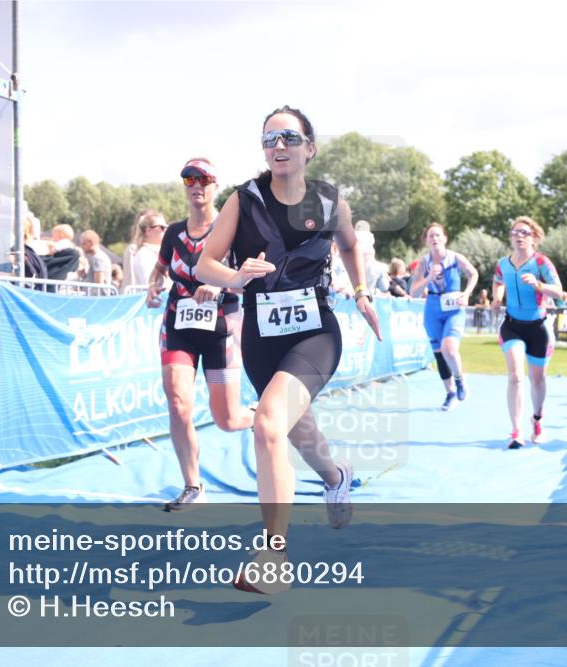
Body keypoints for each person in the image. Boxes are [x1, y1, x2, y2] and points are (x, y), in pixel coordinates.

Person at [195, 106, 381, 594]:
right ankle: (335, 477)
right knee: (297, 430)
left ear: (309, 149)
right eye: (269, 138)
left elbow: (348, 246)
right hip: (260, 337)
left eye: (289, 138)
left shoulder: (331, 202)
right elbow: (204, 265)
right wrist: (235, 277)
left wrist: (362, 292)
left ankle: (274, 557)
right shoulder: (244, 200)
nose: (278, 146)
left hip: (314, 332)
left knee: (268, 422)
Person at [146, 157, 255, 511]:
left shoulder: (231, 230)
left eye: (203, 179)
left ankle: (263, 418)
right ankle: (193, 486)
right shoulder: (173, 233)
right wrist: (152, 286)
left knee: (227, 419)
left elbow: (246, 279)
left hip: (221, 327)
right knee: (178, 402)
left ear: (215, 186)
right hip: (178, 325)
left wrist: (220, 285)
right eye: (189, 179)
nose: (196, 186)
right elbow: (159, 269)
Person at [490, 216, 564, 449]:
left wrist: (539, 285)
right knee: (515, 376)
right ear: (510, 238)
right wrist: (497, 298)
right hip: (512, 326)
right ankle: (516, 431)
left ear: (534, 238)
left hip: (538, 328)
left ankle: (537, 419)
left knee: (538, 380)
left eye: (524, 233)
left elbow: (559, 292)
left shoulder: (541, 262)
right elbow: (498, 281)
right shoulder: (503, 263)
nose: (519, 236)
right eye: (515, 232)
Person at [409, 223, 479, 411]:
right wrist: (428, 278)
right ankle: (450, 393)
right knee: (439, 354)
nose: (435, 239)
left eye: (438, 235)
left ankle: (460, 380)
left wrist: (467, 293)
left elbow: (473, 273)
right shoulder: (424, 263)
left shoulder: (456, 258)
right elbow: (413, 292)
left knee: (449, 348)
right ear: (426, 241)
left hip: (454, 308)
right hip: (432, 309)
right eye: (431, 236)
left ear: (445, 239)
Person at [123, 209, 168, 289]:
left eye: (166, 227)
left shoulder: (163, 252)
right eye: (162, 227)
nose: (165, 230)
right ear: (148, 231)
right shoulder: (144, 255)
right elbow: (148, 283)